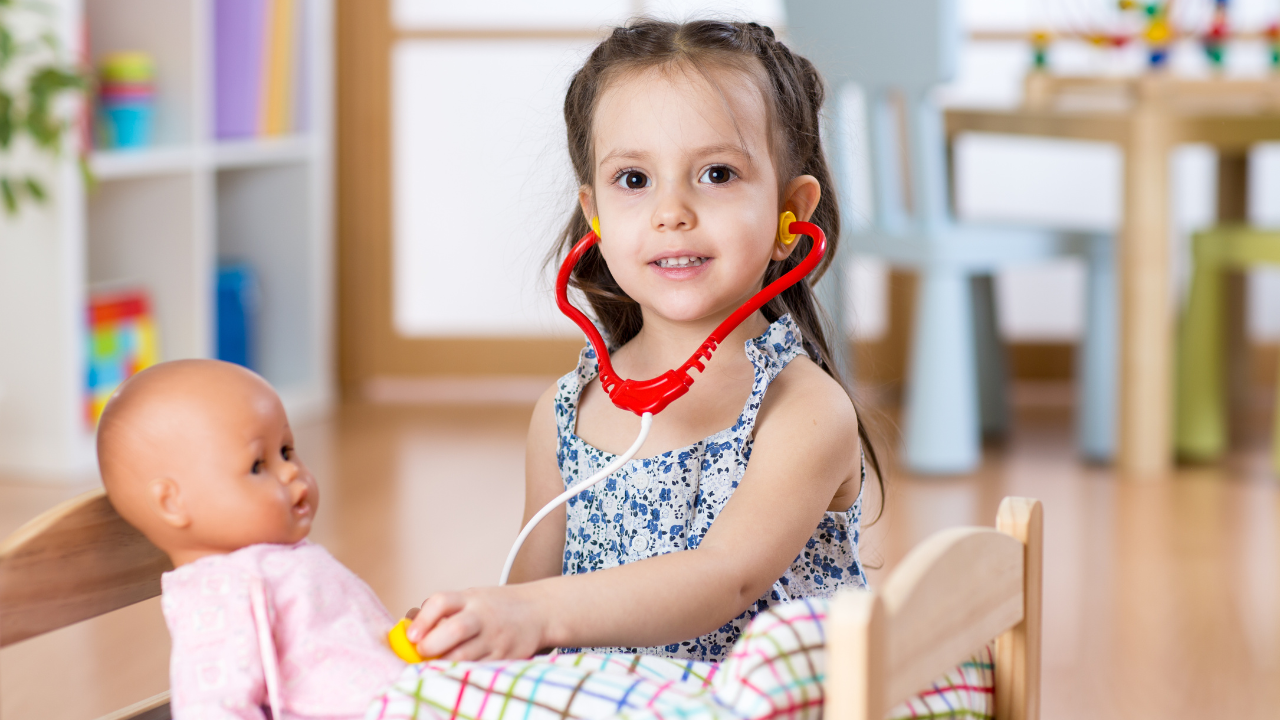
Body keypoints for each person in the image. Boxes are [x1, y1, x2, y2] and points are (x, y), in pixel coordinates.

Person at [405, 18, 885, 664]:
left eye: (716, 174)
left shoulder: (804, 410)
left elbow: (726, 577)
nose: (671, 212)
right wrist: (474, 629)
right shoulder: (562, 415)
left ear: (788, 216)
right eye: (634, 180)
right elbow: (530, 606)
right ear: (595, 216)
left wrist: (531, 611)